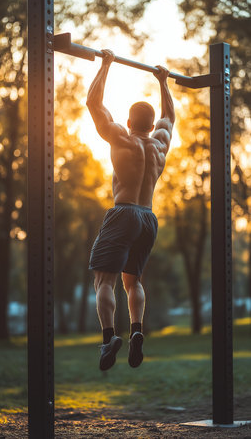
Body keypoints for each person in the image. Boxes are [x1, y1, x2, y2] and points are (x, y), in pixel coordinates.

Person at [86, 50, 175, 371]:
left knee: (104, 281)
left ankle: (109, 337)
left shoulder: (121, 137)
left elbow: (94, 105)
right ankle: (137, 330)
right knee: (132, 281)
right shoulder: (160, 144)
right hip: (148, 218)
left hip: (123, 212)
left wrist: (106, 64)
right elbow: (171, 117)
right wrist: (163, 83)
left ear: (128, 122)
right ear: (152, 125)